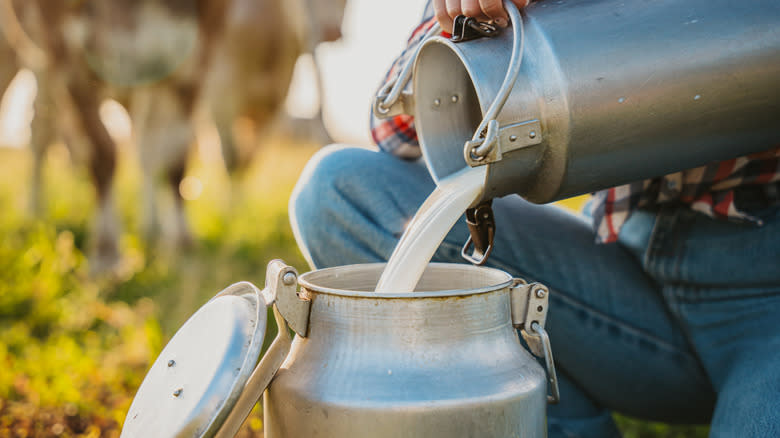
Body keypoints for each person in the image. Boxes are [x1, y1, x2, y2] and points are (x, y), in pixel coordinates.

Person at [289, 0, 780, 436]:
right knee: (339, 194)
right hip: (627, 278)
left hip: (765, 294)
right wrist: (474, 17)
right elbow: (394, 129)